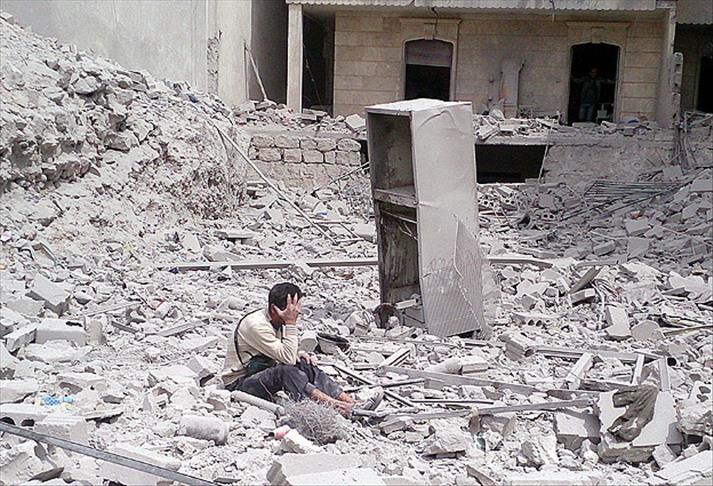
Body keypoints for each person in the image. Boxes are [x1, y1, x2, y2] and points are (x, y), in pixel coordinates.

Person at [221, 282, 382, 417]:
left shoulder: (277, 321)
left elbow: (282, 351)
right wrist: (291, 323)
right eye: (292, 309)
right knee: (285, 371)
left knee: (304, 363)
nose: (296, 312)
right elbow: (287, 358)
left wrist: (299, 354)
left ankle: (351, 402)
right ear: (274, 309)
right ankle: (338, 407)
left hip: (260, 369)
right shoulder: (257, 325)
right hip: (240, 383)